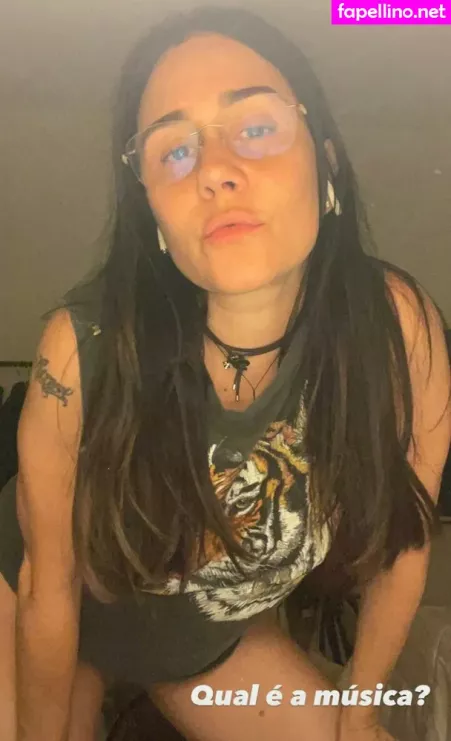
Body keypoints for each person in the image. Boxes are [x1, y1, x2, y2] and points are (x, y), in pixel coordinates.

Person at [0, 6, 450, 741]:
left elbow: (406, 544)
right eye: (174, 149)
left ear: (326, 161)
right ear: (152, 209)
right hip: (47, 606)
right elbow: (47, 591)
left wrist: (358, 712)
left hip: (201, 641)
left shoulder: (399, 328)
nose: (213, 170)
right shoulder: (78, 352)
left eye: (257, 126)